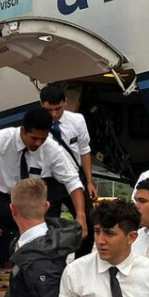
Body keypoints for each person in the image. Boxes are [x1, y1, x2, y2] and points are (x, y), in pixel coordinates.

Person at [0, 107, 88, 241]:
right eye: (34, 138)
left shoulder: (50, 148)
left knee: (44, 226)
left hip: (24, 198)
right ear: (23, 130)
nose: (38, 143)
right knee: (25, 223)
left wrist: (80, 215)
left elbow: (72, 181)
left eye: (42, 139)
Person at [40, 85, 96, 256]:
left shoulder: (77, 120)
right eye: (49, 110)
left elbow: (84, 150)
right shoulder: (36, 123)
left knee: (88, 223)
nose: (54, 114)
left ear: (65, 102)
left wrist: (89, 181)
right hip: (48, 180)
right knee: (48, 228)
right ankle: (51, 265)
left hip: (75, 177)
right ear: (41, 105)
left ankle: (81, 262)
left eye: (58, 109)